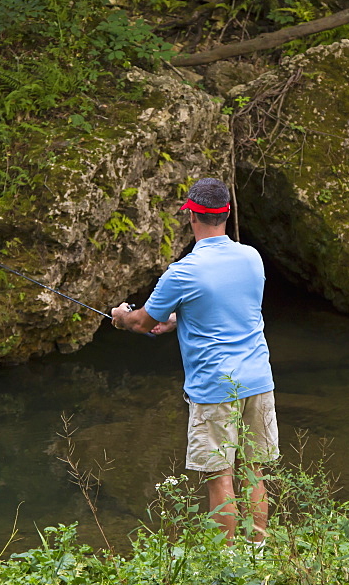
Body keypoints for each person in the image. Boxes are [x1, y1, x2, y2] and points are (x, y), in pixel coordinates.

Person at [111, 177, 277, 544]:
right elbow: (231, 309)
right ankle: (258, 551)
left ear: (191, 216)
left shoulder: (183, 271)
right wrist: (176, 322)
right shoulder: (252, 257)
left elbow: (141, 321)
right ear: (227, 214)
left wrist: (121, 317)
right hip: (259, 379)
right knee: (254, 471)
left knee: (220, 475)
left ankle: (230, 560)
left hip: (215, 387)